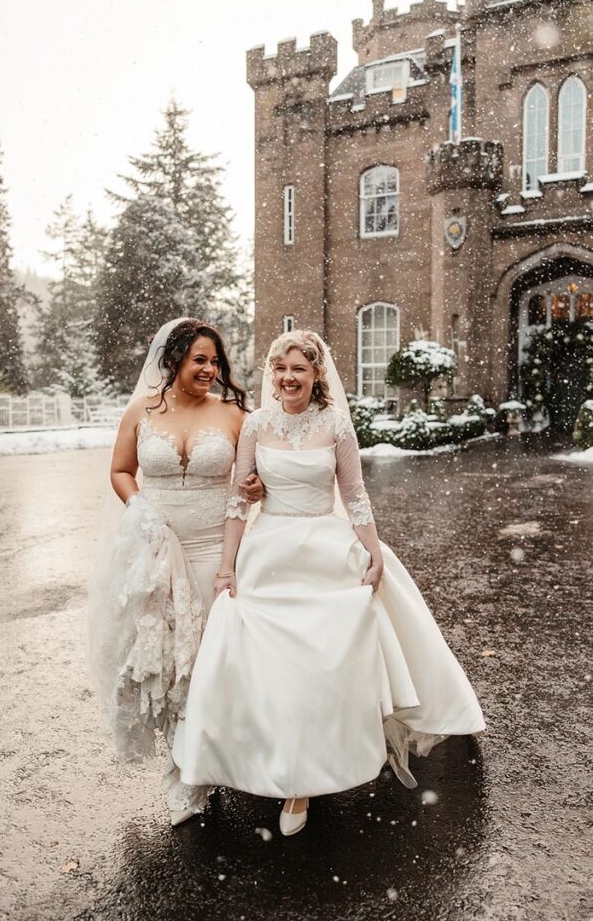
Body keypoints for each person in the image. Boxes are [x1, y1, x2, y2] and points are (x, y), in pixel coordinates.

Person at [173, 330, 485, 836]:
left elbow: (355, 495)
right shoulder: (254, 425)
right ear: (271, 375)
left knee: (323, 662)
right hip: (269, 548)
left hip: (324, 548)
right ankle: (265, 761)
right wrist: (227, 568)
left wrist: (374, 550)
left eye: (298, 368)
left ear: (317, 374)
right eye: (280, 369)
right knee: (269, 664)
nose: (288, 377)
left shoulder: (336, 425)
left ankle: (311, 772)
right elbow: (238, 500)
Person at [87, 318, 262, 826]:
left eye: (214, 361)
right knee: (165, 661)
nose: (209, 369)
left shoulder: (234, 416)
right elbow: (121, 470)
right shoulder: (141, 410)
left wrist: (255, 488)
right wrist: (139, 508)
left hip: (214, 550)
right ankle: (183, 764)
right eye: (199, 360)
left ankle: (206, 761)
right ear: (174, 363)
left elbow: (263, 473)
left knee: (209, 659)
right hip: (154, 550)